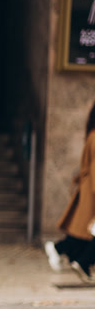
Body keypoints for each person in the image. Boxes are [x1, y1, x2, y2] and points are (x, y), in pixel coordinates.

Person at [45, 99, 95, 284]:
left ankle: (77, 259)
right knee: (85, 231)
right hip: (92, 191)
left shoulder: (91, 134)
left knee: (84, 232)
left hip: (89, 190)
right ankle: (76, 259)